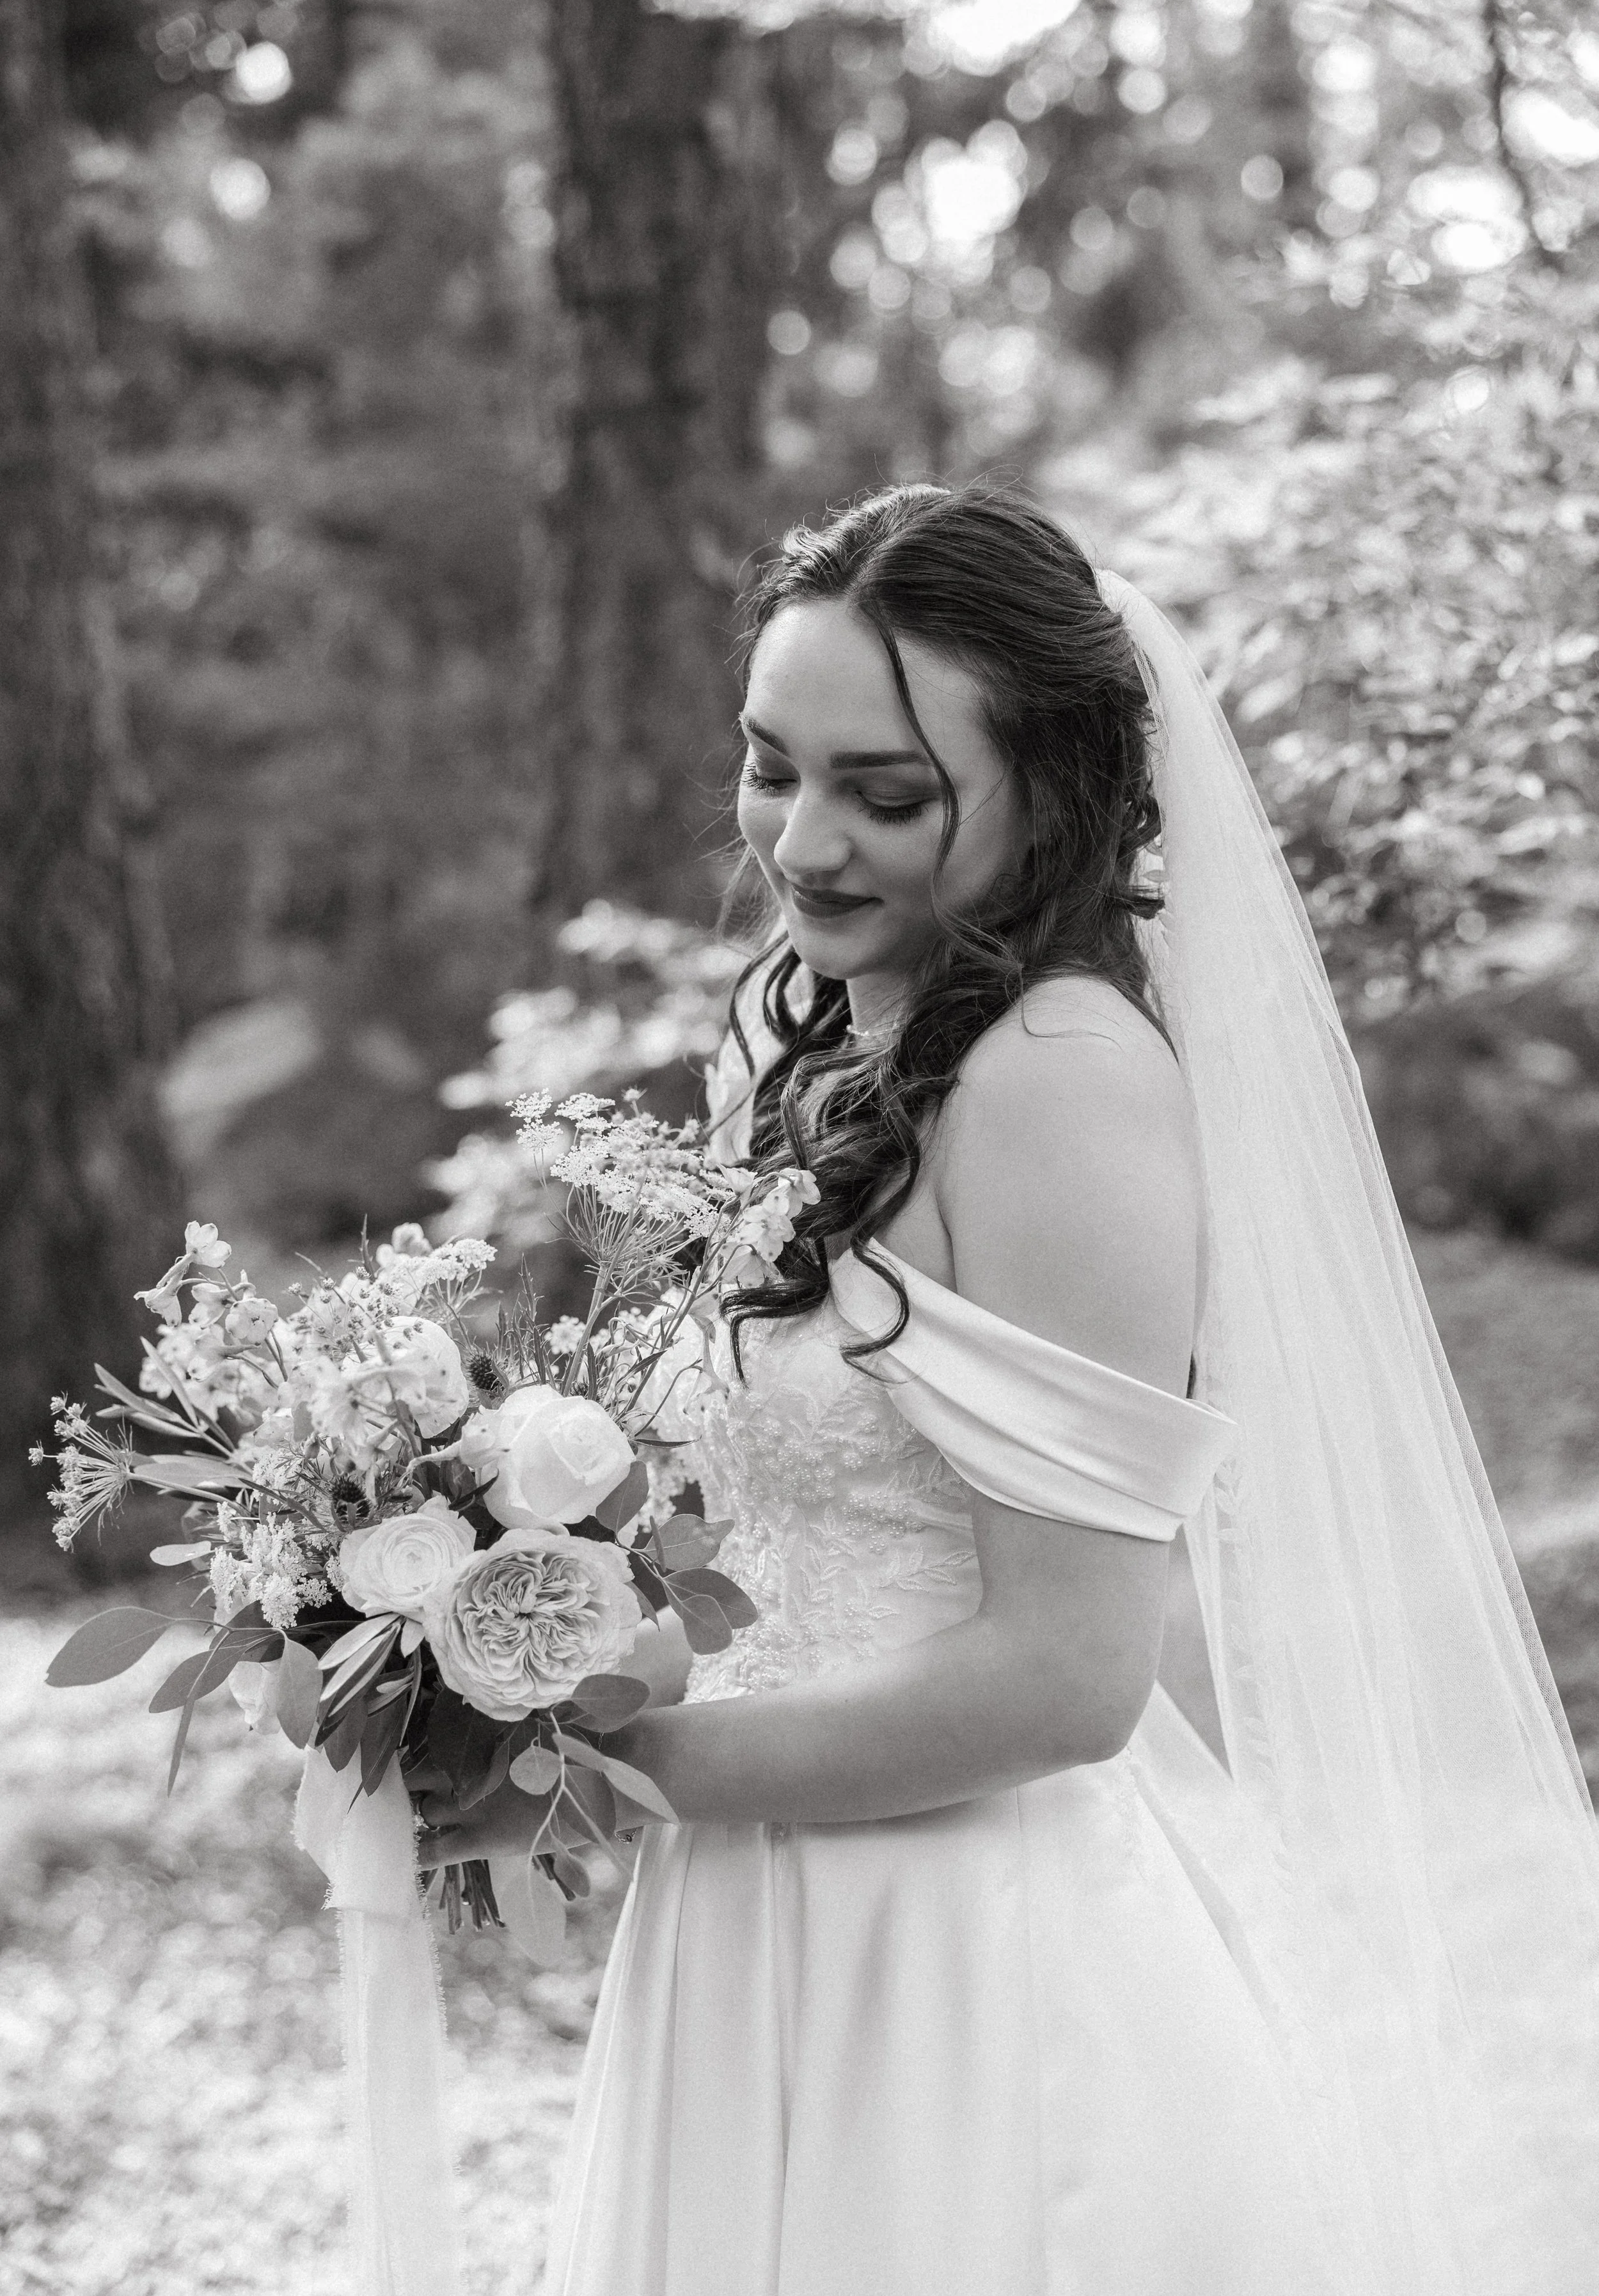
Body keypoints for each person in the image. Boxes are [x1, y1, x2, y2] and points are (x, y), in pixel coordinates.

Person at [418, 486, 1599, 2296]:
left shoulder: (1059, 1074)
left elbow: (1065, 1674)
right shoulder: (805, 1032)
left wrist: (601, 1775)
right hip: (751, 1917)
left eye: (885, 793)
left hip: (962, 1957)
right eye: (769, 765)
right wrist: (486, 1650)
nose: (801, 839)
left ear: (1047, 787)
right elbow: (764, 1512)